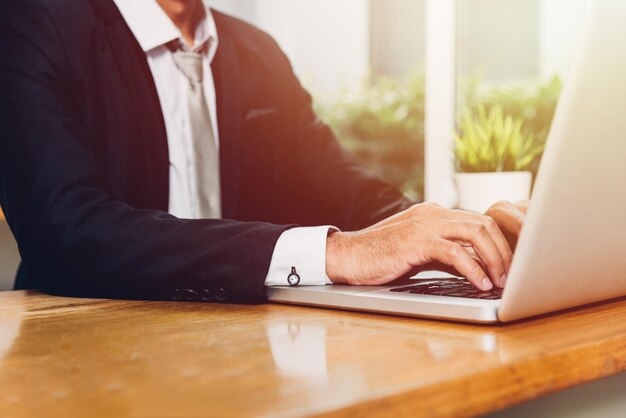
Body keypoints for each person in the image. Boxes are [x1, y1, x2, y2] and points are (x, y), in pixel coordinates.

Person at [0, 0, 528, 304]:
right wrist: (338, 252)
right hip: (85, 349)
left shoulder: (257, 51)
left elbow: (336, 182)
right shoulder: (30, 23)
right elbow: (66, 230)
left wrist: (450, 232)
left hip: (246, 345)